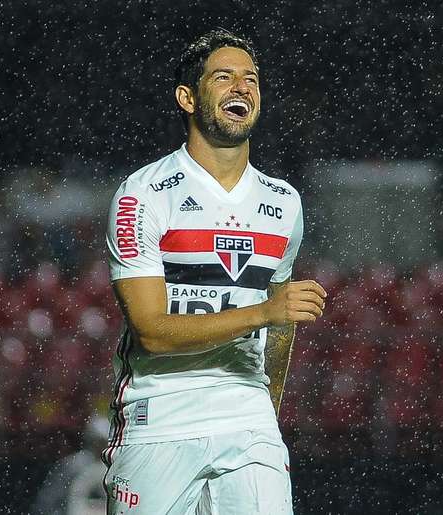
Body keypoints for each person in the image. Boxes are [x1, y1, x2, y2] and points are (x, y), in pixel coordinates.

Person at [103, 29, 327, 514]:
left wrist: (266, 408)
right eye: (223, 77)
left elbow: (280, 325)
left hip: (249, 420)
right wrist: (263, 313)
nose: (241, 87)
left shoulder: (284, 202)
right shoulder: (143, 194)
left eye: (251, 78)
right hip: (160, 416)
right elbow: (153, 334)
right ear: (187, 97)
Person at [31, 415, 110, 515]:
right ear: (91, 440)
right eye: (99, 442)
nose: (101, 446)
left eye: (105, 442)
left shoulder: (115, 466)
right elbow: (51, 499)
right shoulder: (75, 465)